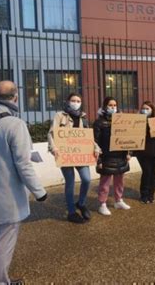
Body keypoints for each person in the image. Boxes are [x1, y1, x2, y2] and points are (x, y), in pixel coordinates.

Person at [0, 81, 47, 284]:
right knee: (3, 243)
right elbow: (23, 164)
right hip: (6, 194)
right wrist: (39, 192)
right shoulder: (15, 124)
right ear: (15, 97)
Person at [48, 93, 99, 224]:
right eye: (73, 100)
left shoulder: (83, 117)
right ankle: (71, 212)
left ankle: (81, 203)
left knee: (86, 179)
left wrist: (96, 147)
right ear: (67, 101)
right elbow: (52, 133)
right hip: (65, 155)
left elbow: (88, 136)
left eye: (78, 101)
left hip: (81, 155)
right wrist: (53, 148)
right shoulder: (60, 115)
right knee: (70, 182)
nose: (75, 102)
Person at [94, 97, 131, 215]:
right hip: (106, 156)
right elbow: (95, 142)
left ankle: (118, 200)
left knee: (120, 180)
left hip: (120, 156)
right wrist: (98, 159)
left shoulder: (122, 121)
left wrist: (128, 153)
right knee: (105, 182)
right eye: (110, 105)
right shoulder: (99, 123)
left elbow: (128, 137)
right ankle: (102, 204)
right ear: (105, 106)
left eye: (115, 105)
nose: (113, 107)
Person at [135, 101, 155, 204]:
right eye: (143, 108)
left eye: (147, 109)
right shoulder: (137, 121)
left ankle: (151, 194)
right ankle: (144, 194)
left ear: (152, 110)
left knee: (153, 172)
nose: (145, 110)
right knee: (147, 171)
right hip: (142, 151)